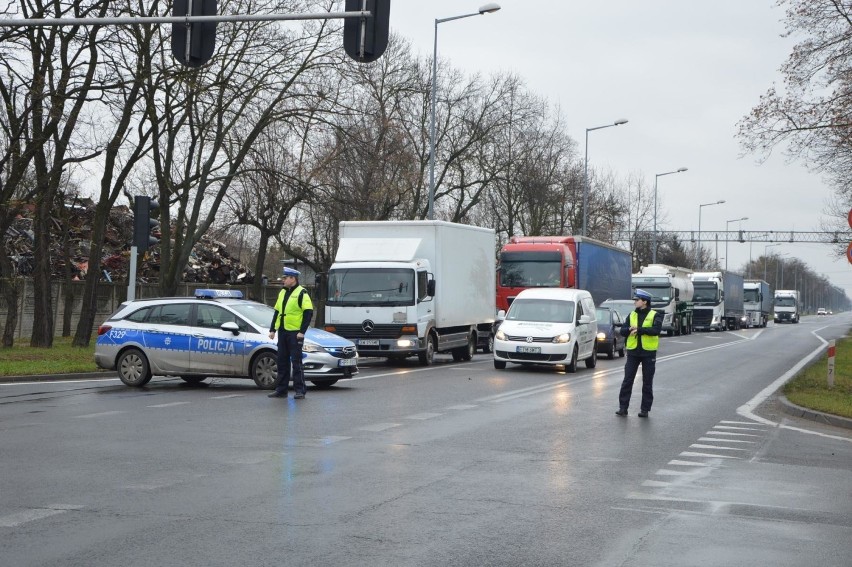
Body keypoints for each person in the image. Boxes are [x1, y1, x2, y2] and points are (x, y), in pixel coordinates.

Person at [267, 267, 314, 400]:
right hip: (283, 332)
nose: (283, 280)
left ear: (293, 279)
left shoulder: (302, 293)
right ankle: (281, 390)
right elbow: (277, 311)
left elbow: (308, 313)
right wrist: (272, 329)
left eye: (285, 278)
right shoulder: (282, 292)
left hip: (295, 333)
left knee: (296, 362)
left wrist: (301, 332)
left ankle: (300, 390)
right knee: (282, 361)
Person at [615, 289, 663, 417]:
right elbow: (622, 330)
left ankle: (645, 410)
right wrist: (629, 329)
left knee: (647, 382)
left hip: (648, 353)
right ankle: (623, 407)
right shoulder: (632, 315)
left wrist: (640, 330)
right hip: (633, 353)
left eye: (637, 300)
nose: (635, 302)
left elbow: (656, 330)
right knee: (627, 380)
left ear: (644, 302)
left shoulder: (655, 315)